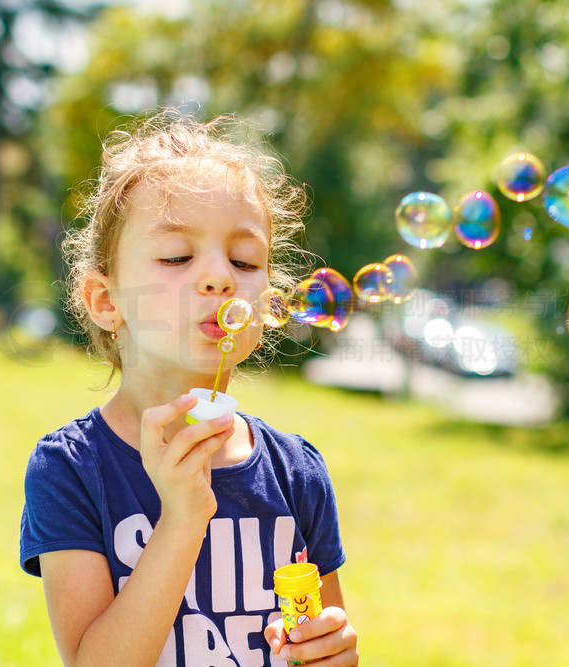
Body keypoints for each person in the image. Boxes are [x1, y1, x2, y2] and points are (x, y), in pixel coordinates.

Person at [19, 111, 359, 666]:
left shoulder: (297, 474)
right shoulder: (73, 470)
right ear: (106, 301)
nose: (220, 276)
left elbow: (318, 648)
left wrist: (332, 653)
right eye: (177, 256)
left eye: (245, 259)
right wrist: (181, 518)